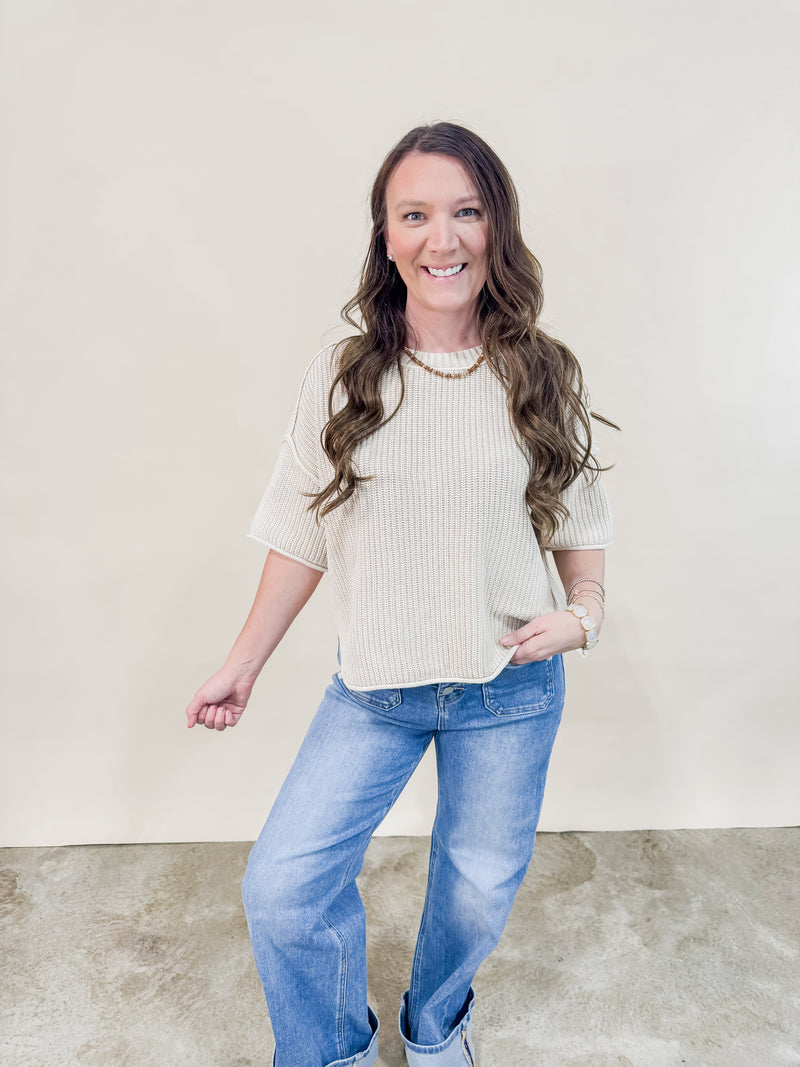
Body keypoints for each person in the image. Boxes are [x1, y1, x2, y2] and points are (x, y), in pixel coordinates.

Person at [186, 121, 615, 1067]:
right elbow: (302, 531)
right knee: (284, 887)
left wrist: (581, 616)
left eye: (467, 212)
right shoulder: (345, 376)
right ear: (386, 236)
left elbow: (581, 533)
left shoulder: (543, 372)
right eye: (414, 215)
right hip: (376, 687)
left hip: (509, 691)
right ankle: (332, 1050)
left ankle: (436, 1027)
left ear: (497, 228)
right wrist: (241, 665)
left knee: (476, 890)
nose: (442, 238)